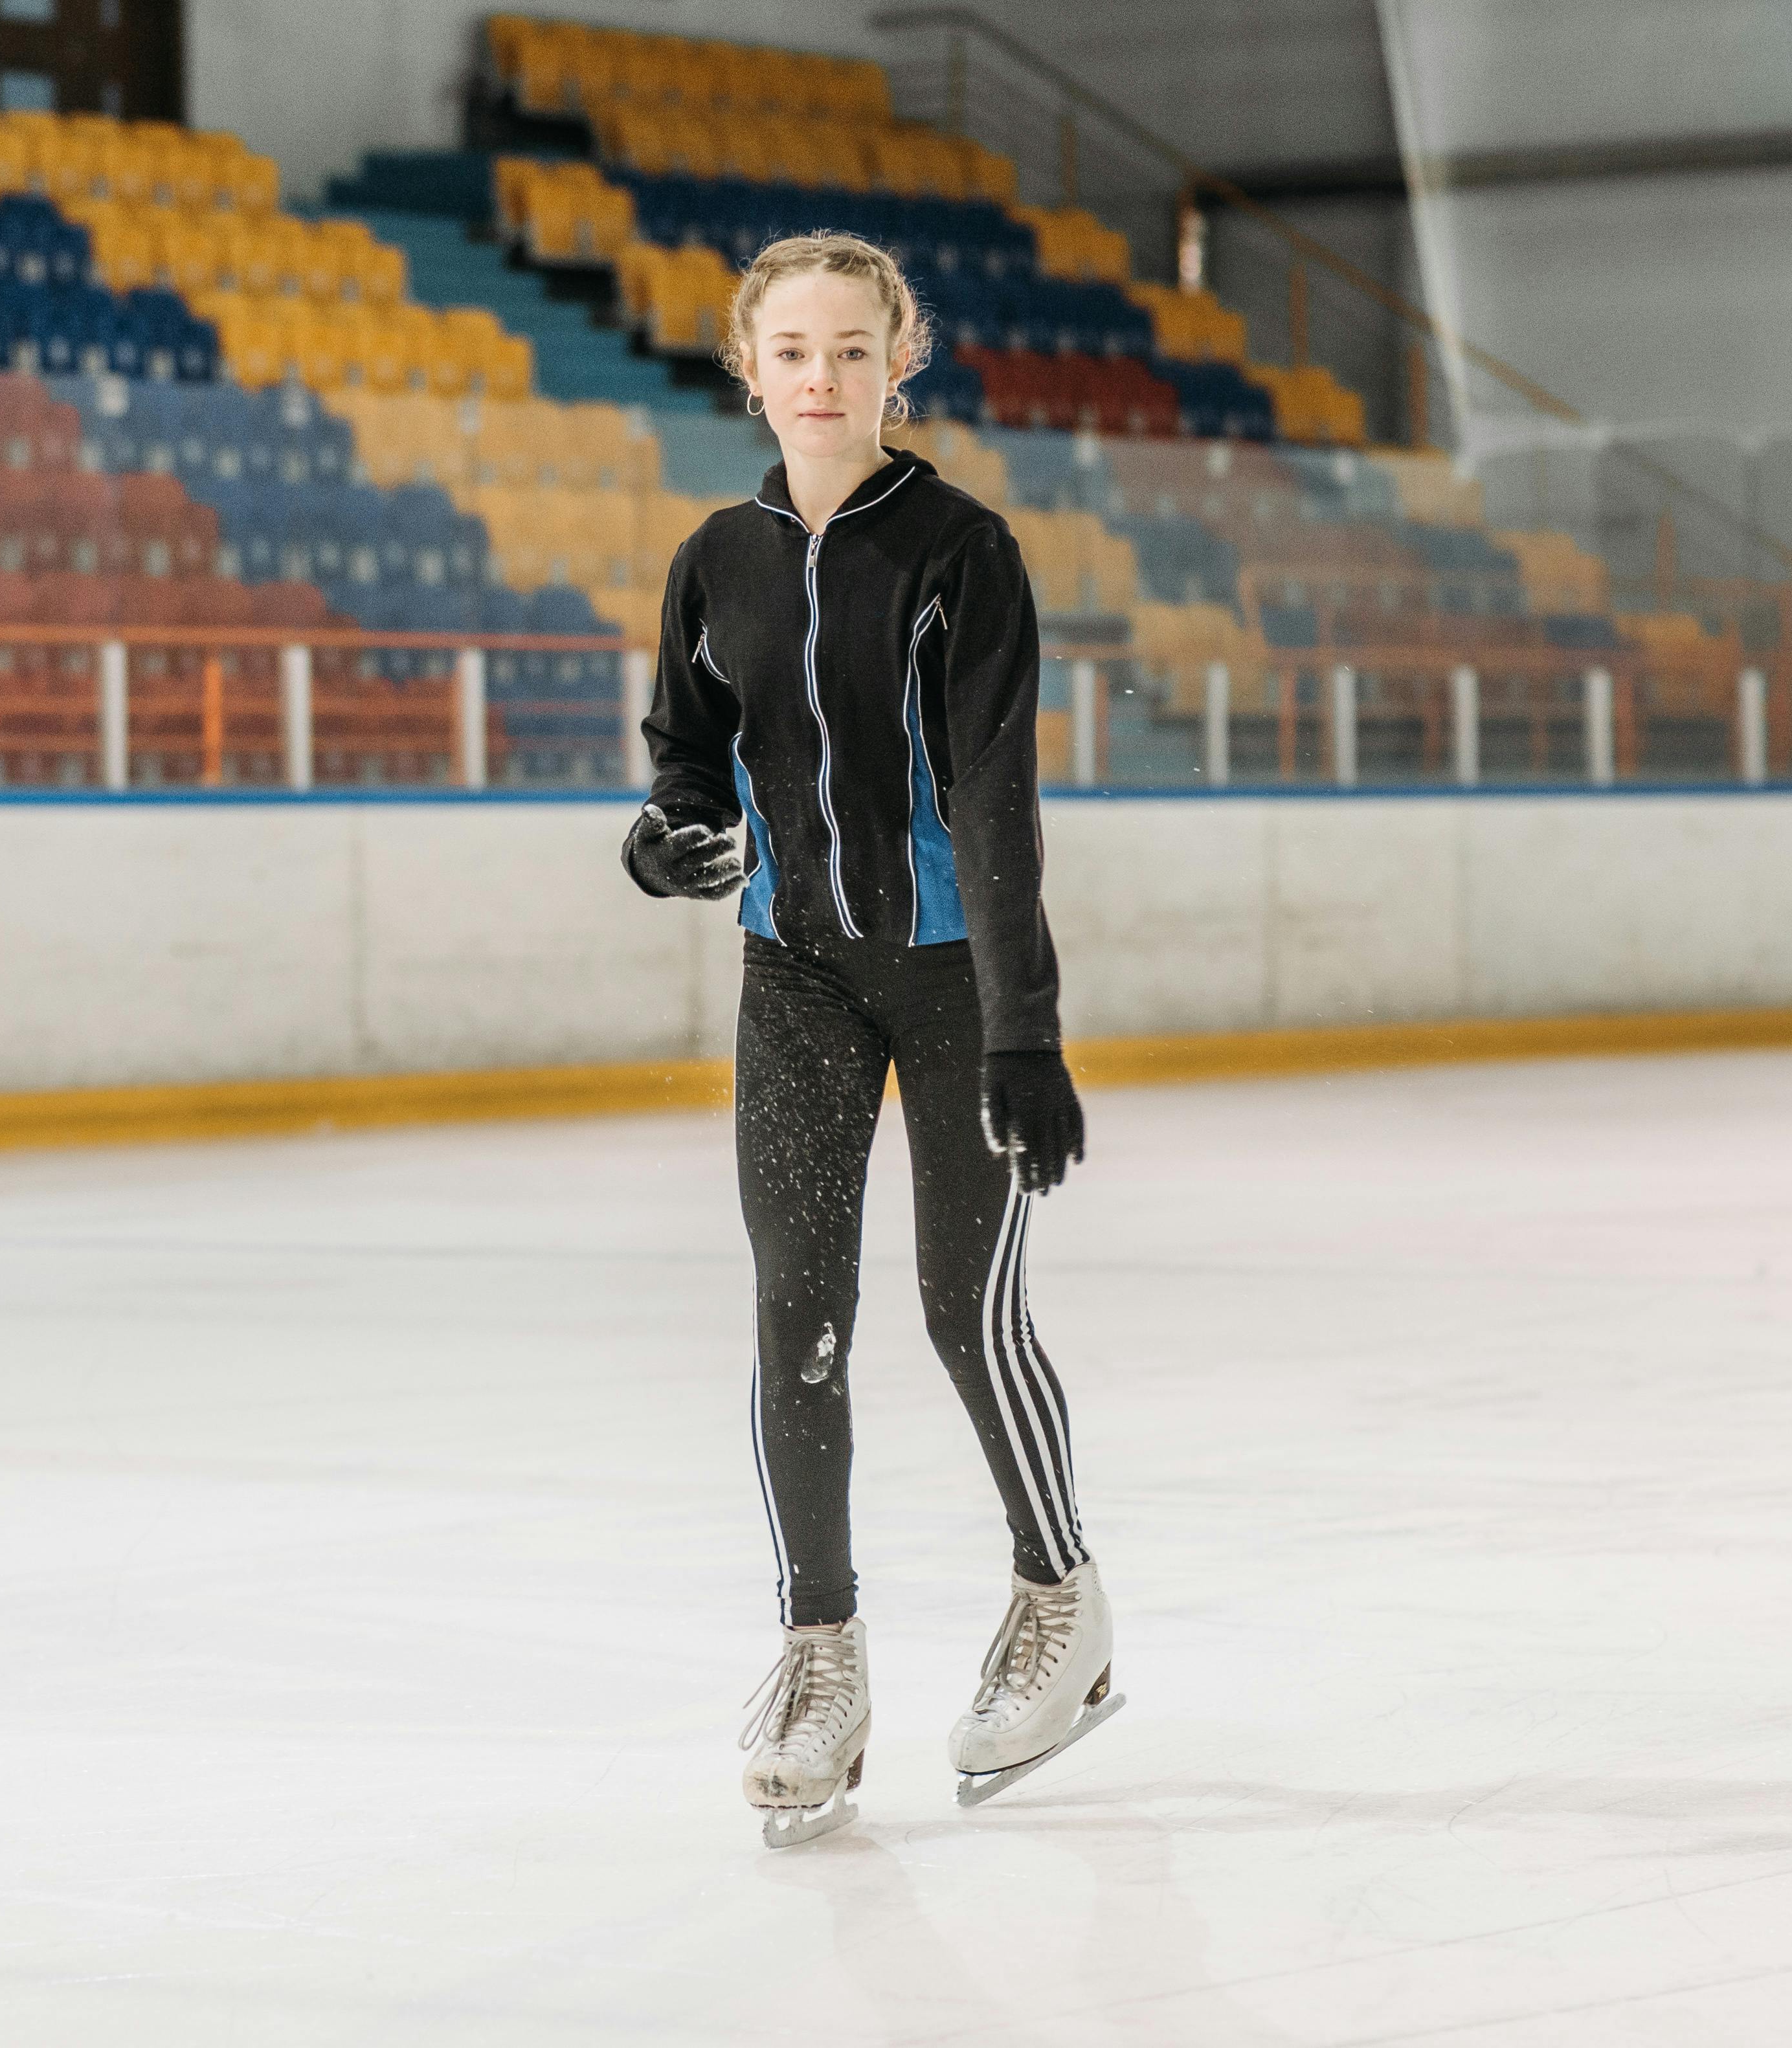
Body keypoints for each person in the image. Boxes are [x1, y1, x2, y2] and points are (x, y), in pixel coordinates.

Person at [620, 232, 1115, 1847]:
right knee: (796, 1316)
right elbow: (688, 761)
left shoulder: (964, 552)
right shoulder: (715, 557)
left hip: (956, 980)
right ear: (745, 368)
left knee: (967, 1316)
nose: (821, 379)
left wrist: (1027, 1034)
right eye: (792, 352)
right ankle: (818, 1653)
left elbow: (996, 802)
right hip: (797, 975)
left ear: (901, 358)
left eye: (851, 348)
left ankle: (1062, 1599)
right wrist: (666, 836)